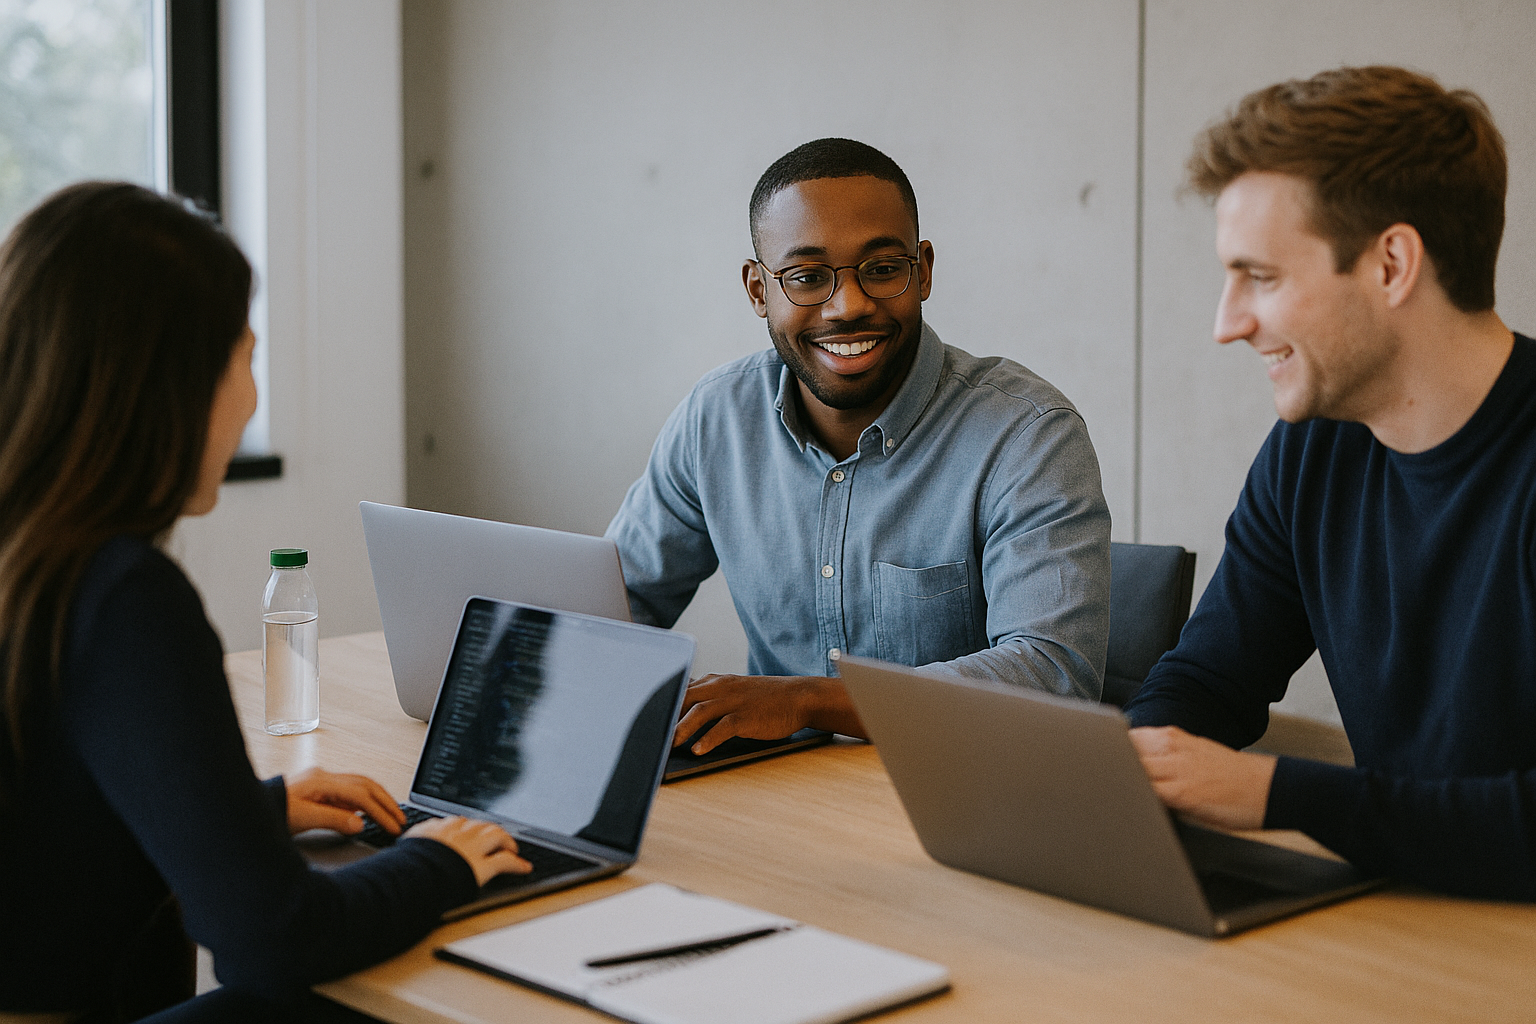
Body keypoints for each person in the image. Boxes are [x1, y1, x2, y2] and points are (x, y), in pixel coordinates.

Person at [0, 182, 530, 1022]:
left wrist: (253, 813)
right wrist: (442, 859)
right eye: (245, 358)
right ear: (165, 383)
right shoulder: (122, 594)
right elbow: (275, 939)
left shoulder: (29, 559)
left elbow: (49, 811)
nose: (250, 399)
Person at [1123, 66, 1536, 900]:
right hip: (1407, 923)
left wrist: (1276, 795)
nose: (1226, 323)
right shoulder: (1310, 451)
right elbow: (1209, 680)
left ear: (1391, 265)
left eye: (1261, 277)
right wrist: (1130, 771)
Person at [605, 139, 1111, 755]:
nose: (849, 306)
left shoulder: (1026, 434)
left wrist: (804, 701)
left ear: (922, 271)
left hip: (963, 795)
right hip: (777, 792)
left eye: (881, 268)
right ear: (758, 290)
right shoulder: (717, 420)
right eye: (807, 277)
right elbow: (611, 609)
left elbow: (1053, 679)